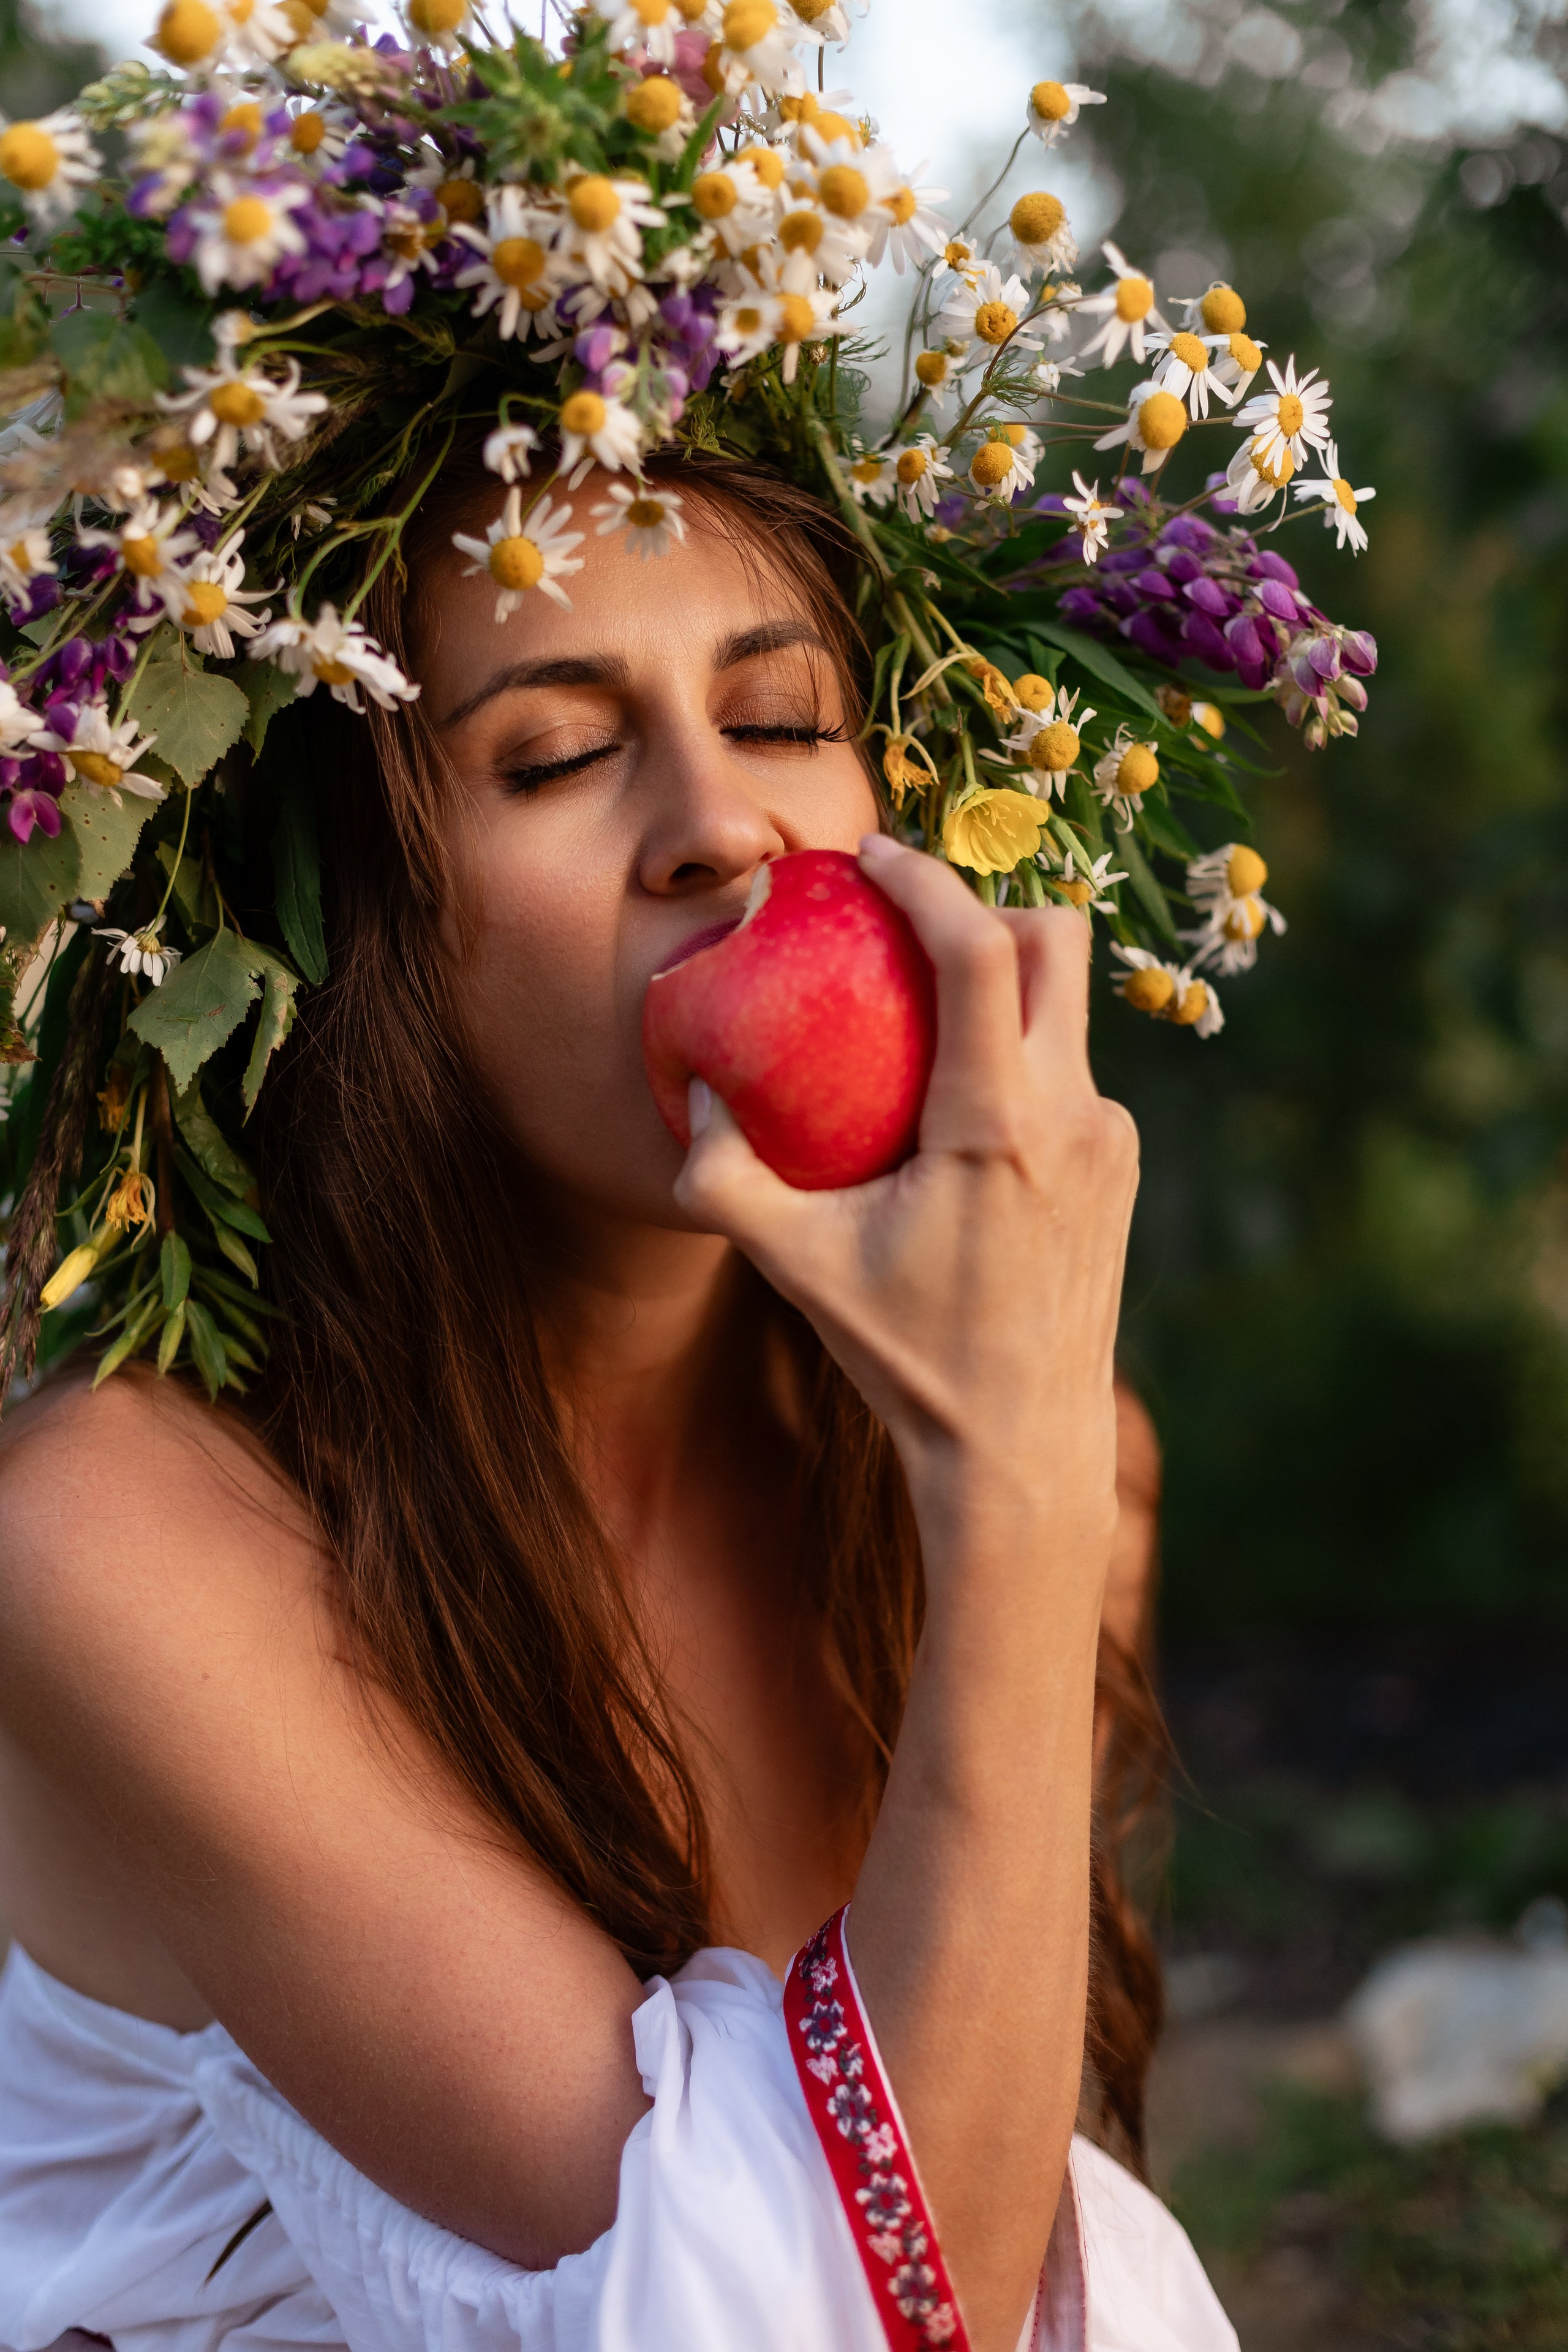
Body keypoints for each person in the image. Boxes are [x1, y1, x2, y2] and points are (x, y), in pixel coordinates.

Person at [0, 447, 1234, 2352]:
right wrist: (1016, 1472)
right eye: (558, 756)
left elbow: (985, 2186)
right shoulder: (116, 1539)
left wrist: (1029, 1471)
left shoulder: (1050, 1484)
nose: (719, 827)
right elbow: (866, 2317)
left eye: (778, 717)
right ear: (339, 925)